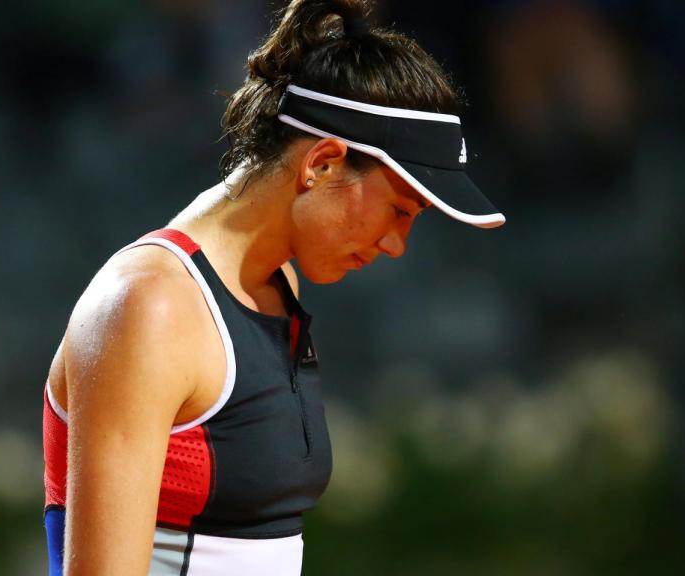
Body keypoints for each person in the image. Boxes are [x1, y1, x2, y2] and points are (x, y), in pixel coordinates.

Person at [41, 1, 504, 574]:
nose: (396, 244)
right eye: (399, 211)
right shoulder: (150, 307)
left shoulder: (275, 282)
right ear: (324, 163)